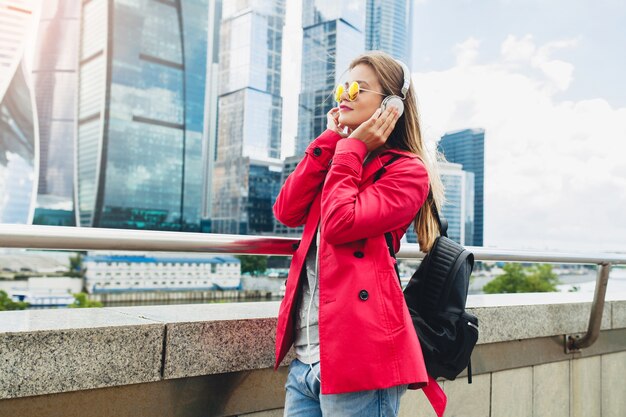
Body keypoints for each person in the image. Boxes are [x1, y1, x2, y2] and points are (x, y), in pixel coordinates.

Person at [273, 51, 447, 417]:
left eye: (358, 88)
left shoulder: (407, 171)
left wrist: (350, 149)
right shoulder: (339, 158)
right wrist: (332, 139)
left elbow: (340, 224)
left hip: (360, 361)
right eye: (344, 86)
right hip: (306, 360)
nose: (345, 96)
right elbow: (286, 211)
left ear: (392, 108)